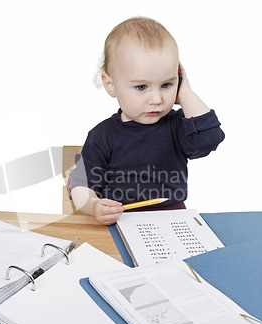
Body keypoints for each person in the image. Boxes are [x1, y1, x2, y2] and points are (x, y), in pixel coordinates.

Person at [69, 16, 225, 225]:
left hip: (173, 219)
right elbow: (80, 185)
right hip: (119, 220)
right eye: (142, 87)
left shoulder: (178, 125)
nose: (157, 99)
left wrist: (186, 94)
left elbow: (210, 138)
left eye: (167, 85)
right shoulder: (102, 135)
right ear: (110, 85)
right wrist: (94, 206)